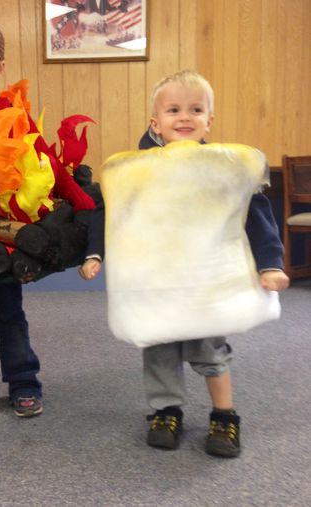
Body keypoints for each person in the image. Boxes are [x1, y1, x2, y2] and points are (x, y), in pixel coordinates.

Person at [79, 70, 289, 456]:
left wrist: (270, 263)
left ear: (209, 119)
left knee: (210, 351)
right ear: (155, 122)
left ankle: (224, 416)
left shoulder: (225, 167)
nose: (185, 117)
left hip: (206, 282)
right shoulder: (135, 171)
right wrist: (95, 253)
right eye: (174, 109)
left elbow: (256, 214)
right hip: (155, 283)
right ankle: (165, 411)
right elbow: (109, 212)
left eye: (196, 109)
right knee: (159, 351)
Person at [0, 16, 94, 420]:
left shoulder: (13, 113)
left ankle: (24, 380)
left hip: (4, 234)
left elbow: (49, 164)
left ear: (0, 67)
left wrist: (83, 204)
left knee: (9, 310)